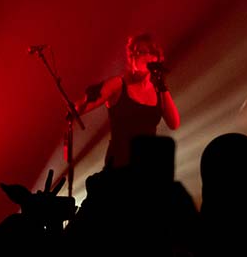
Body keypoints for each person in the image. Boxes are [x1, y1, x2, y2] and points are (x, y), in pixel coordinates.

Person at [73, 33, 181, 170]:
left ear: (155, 57)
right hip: (120, 166)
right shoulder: (118, 84)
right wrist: (77, 104)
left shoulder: (159, 90)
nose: (135, 56)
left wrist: (162, 85)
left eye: (141, 52)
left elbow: (174, 123)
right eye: (133, 52)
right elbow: (83, 105)